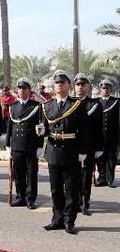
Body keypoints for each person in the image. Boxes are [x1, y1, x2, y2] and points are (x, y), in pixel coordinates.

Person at [39, 70, 88, 234]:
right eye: (57, 82)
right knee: (55, 189)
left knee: (71, 189)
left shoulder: (77, 105)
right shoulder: (47, 106)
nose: (59, 85)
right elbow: (46, 128)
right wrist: (41, 132)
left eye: (63, 82)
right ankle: (57, 219)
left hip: (71, 150)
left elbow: (84, 131)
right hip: (53, 151)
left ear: (69, 85)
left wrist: (82, 151)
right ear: (54, 86)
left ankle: (69, 221)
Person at [6, 78, 43, 209]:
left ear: (29, 90)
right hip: (16, 145)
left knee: (31, 174)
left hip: (30, 145)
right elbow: (10, 127)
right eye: (20, 88)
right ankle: (20, 197)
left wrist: (40, 146)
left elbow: (40, 128)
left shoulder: (36, 107)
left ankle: (30, 199)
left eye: (25, 88)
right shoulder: (13, 107)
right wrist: (8, 144)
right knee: (19, 173)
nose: (22, 90)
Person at [73, 73, 104, 216]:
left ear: (88, 87)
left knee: (85, 176)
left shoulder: (94, 105)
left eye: (83, 85)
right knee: (72, 176)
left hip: (88, 146)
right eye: (78, 85)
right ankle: (73, 202)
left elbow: (99, 128)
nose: (80, 87)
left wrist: (99, 147)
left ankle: (84, 203)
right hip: (71, 146)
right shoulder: (70, 103)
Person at [96, 79, 119, 188]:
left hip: (112, 136)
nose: (105, 90)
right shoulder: (95, 102)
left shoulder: (116, 102)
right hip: (99, 136)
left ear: (111, 90)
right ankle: (101, 178)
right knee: (100, 158)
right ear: (100, 89)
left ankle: (110, 179)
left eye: (107, 88)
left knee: (111, 158)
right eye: (103, 88)